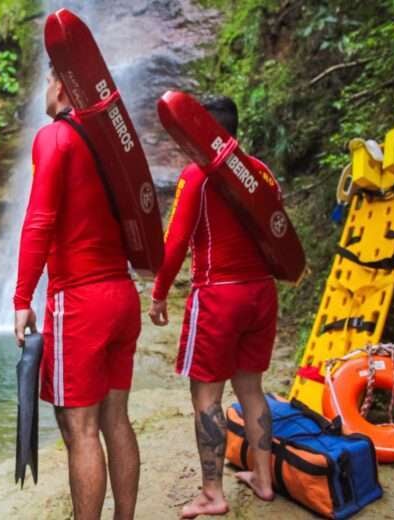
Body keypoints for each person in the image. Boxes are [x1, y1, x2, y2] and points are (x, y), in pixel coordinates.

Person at [13, 66, 142, 520]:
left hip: (81, 302)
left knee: (80, 428)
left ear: (63, 85)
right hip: (123, 295)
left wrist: (21, 299)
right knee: (115, 418)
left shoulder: (54, 138)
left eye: (47, 82)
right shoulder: (111, 144)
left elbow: (39, 221)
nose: (43, 92)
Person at [148, 96, 279, 518]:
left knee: (206, 395)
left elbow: (174, 244)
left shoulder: (198, 176)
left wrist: (158, 293)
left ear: (206, 132)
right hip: (261, 294)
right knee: (251, 389)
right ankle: (263, 479)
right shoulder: (261, 172)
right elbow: (279, 234)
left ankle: (211, 493)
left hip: (218, 297)